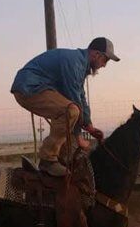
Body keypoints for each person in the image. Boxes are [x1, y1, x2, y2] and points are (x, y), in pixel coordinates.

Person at [11, 37, 120, 176]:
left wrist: (89, 126)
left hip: (36, 87)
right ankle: (48, 160)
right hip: (30, 87)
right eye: (105, 60)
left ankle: (60, 162)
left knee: (70, 115)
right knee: (70, 111)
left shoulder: (79, 64)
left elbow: (81, 97)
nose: (104, 65)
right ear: (96, 54)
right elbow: (74, 101)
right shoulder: (74, 63)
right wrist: (79, 137)